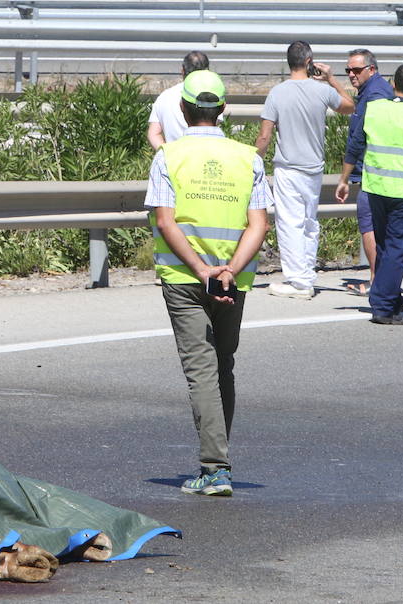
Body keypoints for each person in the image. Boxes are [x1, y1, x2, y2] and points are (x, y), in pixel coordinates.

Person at [145, 69, 270, 496]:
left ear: (182, 108)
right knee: (223, 366)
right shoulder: (248, 157)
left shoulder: (169, 156)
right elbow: (259, 224)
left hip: (185, 277)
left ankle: (215, 467)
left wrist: (201, 270)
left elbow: (165, 220)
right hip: (233, 281)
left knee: (201, 371)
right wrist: (230, 269)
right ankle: (219, 456)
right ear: (223, 111)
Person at [335, 64, 403, 325]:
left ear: (393, 85)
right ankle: (382, 305)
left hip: (376, 189)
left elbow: (355, 145)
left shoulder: (374, 109)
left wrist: (344, 179)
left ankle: (393, 301)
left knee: (385, 246)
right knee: (398, 248)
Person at [253, 41, 354, 298]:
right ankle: (306, 274)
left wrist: (254, 161)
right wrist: (331, 79)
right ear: (309, 62)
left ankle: (298, 282)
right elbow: (349, 106)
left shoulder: (277, 92)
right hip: (313, 169)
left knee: (289, 223)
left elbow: (265, 136)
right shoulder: (321, 91)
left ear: (289, 62)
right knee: (309, 222)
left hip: (288, 168)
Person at [344, 48, 394, 297]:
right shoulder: (374, 90)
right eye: (348, 70)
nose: (351, 75)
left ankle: (376, 281)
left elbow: (361, 136)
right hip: (375, 170)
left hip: (372, 172)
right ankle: (379, 280)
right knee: (375, 226)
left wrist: (345, 174)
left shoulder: (374, 94)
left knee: (369, 226)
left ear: (371, 69)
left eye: (356, 70)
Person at [148, 50, 220, 148]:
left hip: (174, 159)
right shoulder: (211, 95)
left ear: (182, 70)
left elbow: (154, 134)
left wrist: (167, 154)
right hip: (205, 156)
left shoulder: (164, 96)